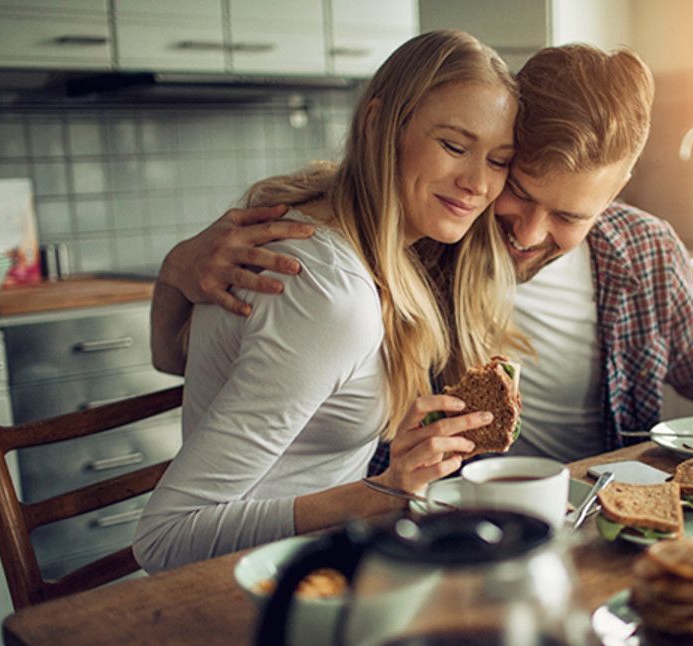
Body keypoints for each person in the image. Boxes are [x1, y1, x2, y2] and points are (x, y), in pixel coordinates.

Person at [150, 42, 693, 469]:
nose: (526, 231)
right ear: (501, 150)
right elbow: (213, 370)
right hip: (424, 519)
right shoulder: (417, 237)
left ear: (617, 194)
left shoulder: (639, 251)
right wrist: (179, 268)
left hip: (591, 513)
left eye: (568, 216)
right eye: (517, 189)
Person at [133, 30, 521, 573]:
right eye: (454, 147)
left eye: (499, 160)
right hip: (259, 591)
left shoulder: (348, 235)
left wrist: (176, 271)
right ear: (379, 124)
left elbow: (179, 361)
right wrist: (384, 491)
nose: (478, 182)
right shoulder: (326, 293)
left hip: (323, 568)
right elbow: (165, 540)